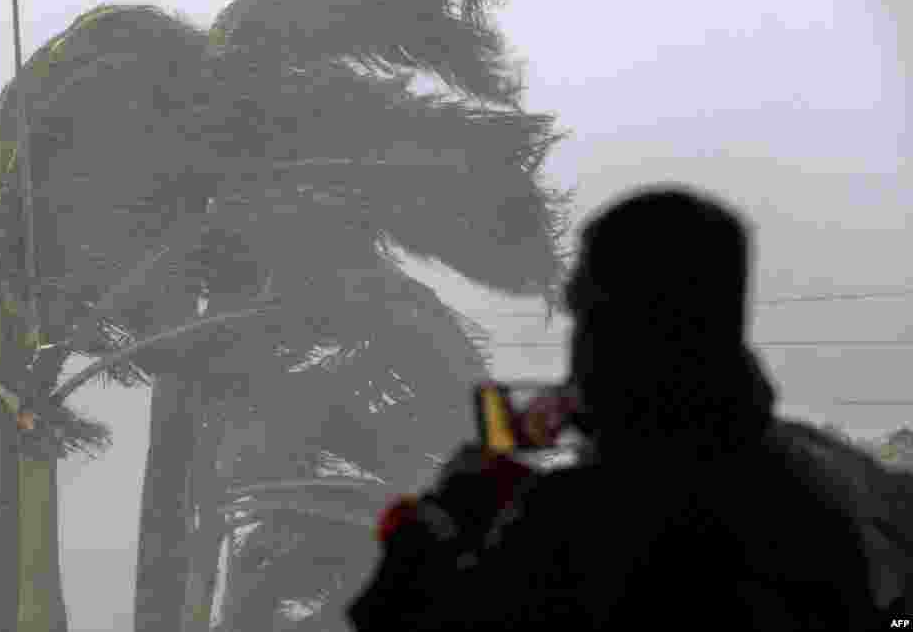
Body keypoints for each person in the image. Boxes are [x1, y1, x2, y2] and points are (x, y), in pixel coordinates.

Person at [346, 184, 883, 631]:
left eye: (582, 308)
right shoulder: (815, 487)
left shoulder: (580, 517)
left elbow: (398, 621)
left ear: (612, 328)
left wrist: (441, 522)